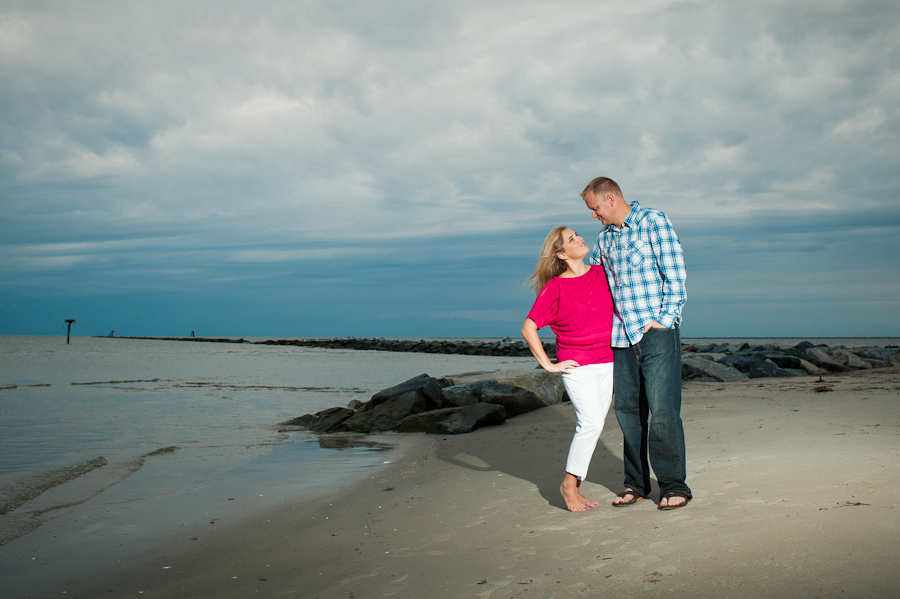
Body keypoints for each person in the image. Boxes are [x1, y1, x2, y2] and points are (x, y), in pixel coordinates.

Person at [581, 177, 691, 510]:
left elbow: (675, 271)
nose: (594, 215)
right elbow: (595, 283)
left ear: (610, 199)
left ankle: (674, 485)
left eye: (595, 208)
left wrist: (667, 317)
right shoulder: (604, 239)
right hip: (620, 337)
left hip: (656, 332)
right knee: (629, 414)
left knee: (662, 411)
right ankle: (636, 484)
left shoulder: (653, 221)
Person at [521, 226, 615, 512]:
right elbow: (529, 328)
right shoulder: (556, 287)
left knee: (595, 424)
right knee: (591, 423)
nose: (580, 239)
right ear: (561, 253)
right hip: (577, 366)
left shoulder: (602, 273)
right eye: (571, 239)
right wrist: (549, 365)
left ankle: (574, 486)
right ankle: (569, 486)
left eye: (578, 234)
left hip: (607, 362)